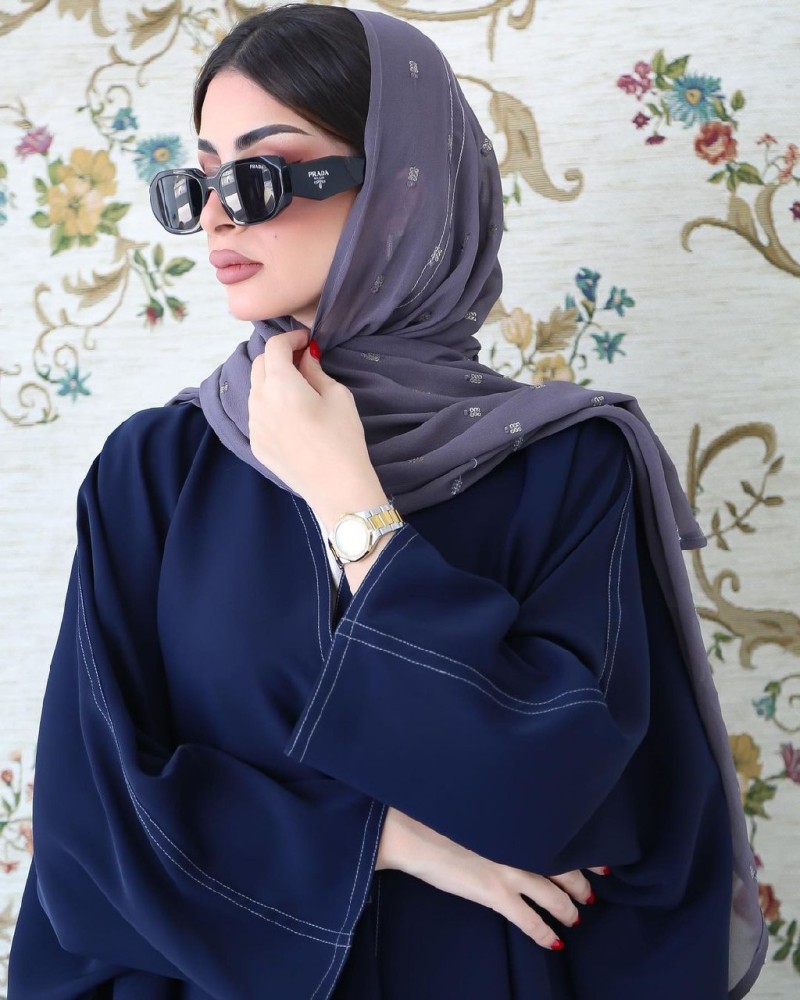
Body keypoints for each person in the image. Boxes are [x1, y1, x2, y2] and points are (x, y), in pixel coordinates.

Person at [8, 5, 766, 999]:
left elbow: (559, 791)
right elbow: (90, 825)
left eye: (260, 175)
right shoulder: (155, 470)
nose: (217, 217)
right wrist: (381, 837)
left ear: (403, 186)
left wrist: (349, 502)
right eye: (199, 182)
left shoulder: (569, 465)